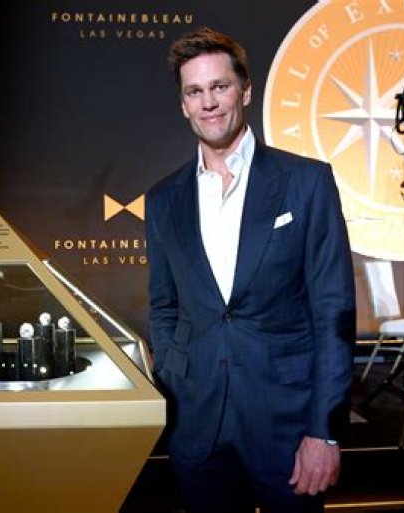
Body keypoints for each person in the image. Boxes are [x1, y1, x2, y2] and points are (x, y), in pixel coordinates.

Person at [145, 26, 356, 513]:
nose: (208, 103)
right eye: (194, 92)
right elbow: (163, 305)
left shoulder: (306, 182)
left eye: (219, 86)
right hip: (198, 428)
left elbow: (333, 313)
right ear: (183, 104)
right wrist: (176, 375)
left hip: (289, 429)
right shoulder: (162, 199)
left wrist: (323, 431)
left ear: (245, 90)